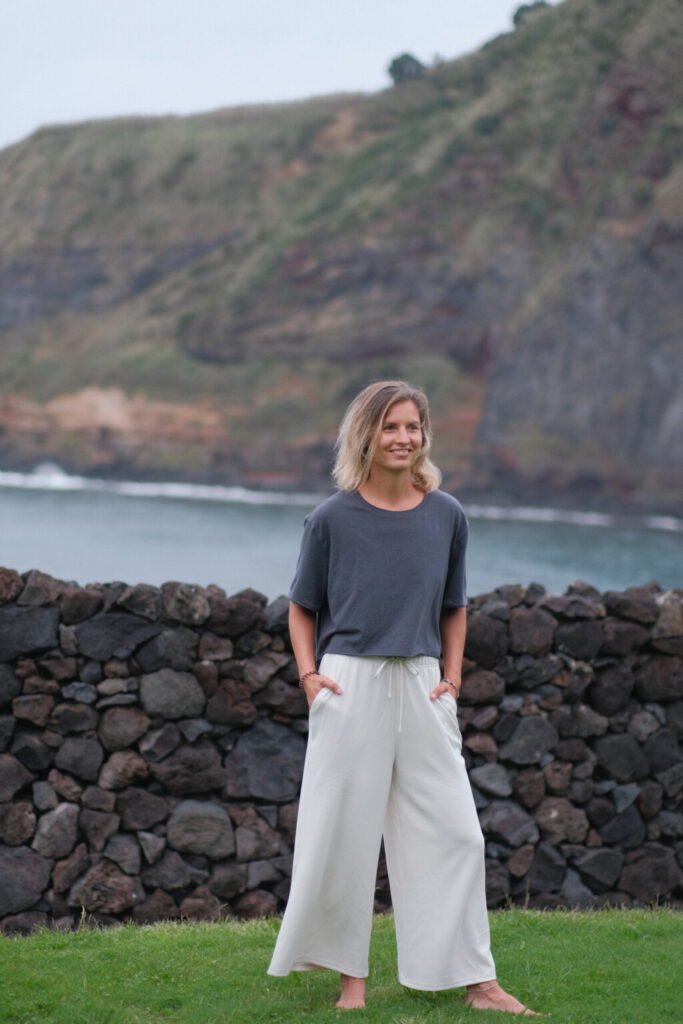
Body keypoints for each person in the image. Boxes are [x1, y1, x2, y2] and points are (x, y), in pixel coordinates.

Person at [267, 380, 540, 1016]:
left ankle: (479, 983)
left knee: (457, 834)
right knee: (342, 836)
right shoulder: (331, 518)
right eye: (390, 426)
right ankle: (350, 988)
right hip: (348, 683)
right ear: (365, 434)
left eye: (413, 426)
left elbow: (455, 605)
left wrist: (452, 676)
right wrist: (310, 678)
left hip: (422, 684)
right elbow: (301, 608)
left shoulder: (447, 513)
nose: (403, 438)